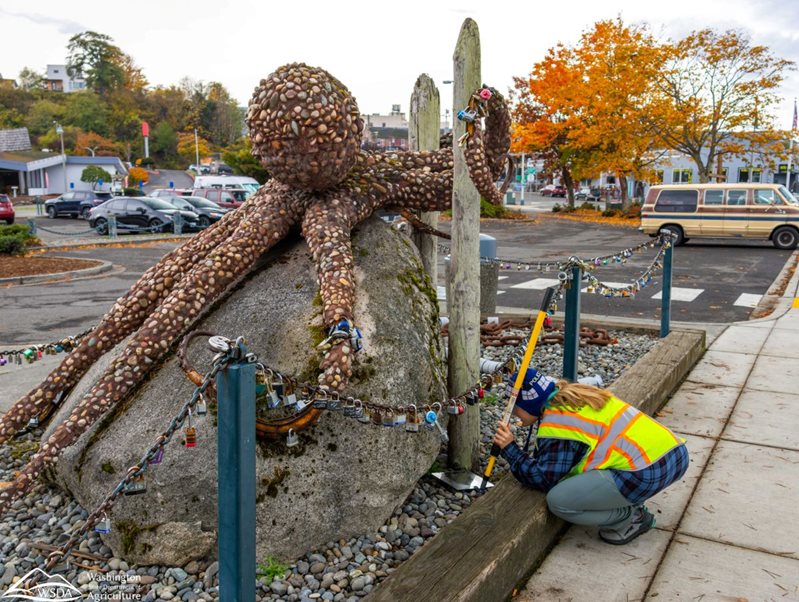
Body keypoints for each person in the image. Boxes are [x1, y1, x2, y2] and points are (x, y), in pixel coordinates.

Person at [493, 368, 689, 545]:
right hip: (675, 453)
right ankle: (628, 499)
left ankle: (630, 517)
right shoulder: (578, 395)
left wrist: (510, 449)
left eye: (514, 407)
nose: (512, 414)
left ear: (529, 403)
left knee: (559, 501)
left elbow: (544, 479)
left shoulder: (558, 424)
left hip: (646, 473)